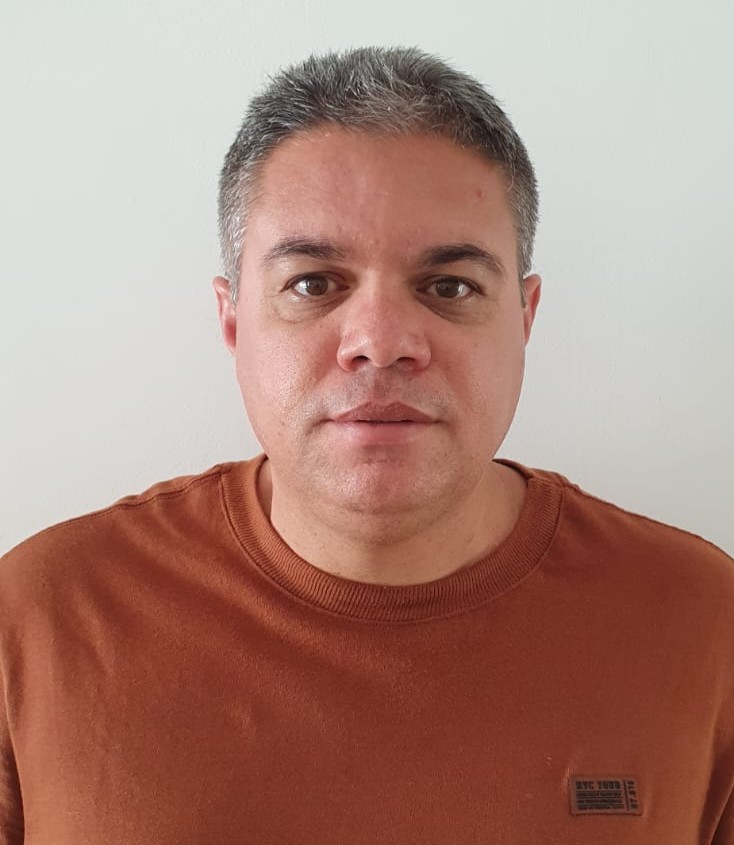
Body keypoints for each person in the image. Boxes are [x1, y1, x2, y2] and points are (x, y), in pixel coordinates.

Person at [1, 46, 732, 845]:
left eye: (449, 286)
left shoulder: (702, 622)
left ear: (524, 320)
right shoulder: (39, 618)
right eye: (313, 282)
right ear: (233, 320)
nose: (381, 342)